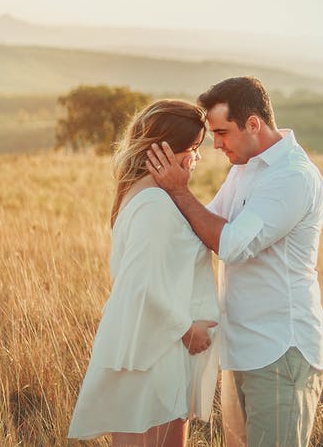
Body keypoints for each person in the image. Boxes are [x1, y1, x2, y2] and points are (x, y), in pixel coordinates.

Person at [146, 76, 323, 447]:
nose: (216, 144)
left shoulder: (292, 177)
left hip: (281, 352)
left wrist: (179, 188)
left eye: (222, 132)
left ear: (253, 124)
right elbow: (199, 226)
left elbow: (230, 244)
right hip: (241, 350)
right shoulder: (244, 169)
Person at [68, 99, 220, 446]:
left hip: (153, 347)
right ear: (166, 151)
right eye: (193, 149)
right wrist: (186, 329)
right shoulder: (154, 204)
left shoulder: (146, 194)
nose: (196, 159)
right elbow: (138, 284)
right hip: (155, 354)